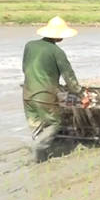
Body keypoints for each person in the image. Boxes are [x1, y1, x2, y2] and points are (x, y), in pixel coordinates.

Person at [22, 16, 87, 162]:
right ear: (58, 36)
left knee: (37, 123)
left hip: (27, 92)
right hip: (44, 94)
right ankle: (38, 148)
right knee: (54, 122)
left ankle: (40, 157)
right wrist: (81, 94)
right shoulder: (57, 52)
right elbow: (69, 77)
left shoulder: (30, 45)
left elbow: (24, 68)